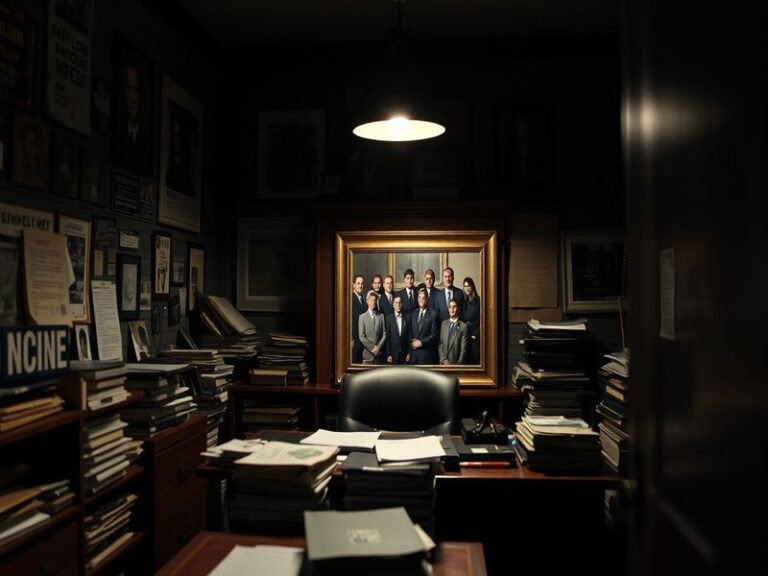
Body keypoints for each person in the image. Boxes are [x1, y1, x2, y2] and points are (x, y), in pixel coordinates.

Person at [114, 60, 151, 176]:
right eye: (129, 89)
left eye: (137, 91)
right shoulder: (116, 132)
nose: (133, 98)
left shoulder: (147, 141)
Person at [409, 289, 438, 365]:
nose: (421, 300)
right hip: (414, 354)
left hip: (426, 355)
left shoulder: (433, 314)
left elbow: (434, 335)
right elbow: (410, 331)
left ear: (427, 299)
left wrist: (421, 342)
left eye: (423, 298)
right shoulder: (414, 313)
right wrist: (412, 341)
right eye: (419, 297)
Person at [358, 290, 387, 364]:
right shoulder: (362, 317)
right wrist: (373, 348)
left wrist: (378, 347)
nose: (373, 302)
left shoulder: (381, 316)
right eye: (371, 300)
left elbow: (384, 334)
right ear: (367, 301)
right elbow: (362, 337)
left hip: (379, 355)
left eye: (375, 300)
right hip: (367, 356)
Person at [438, 299, 468, 365]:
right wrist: (443, 359)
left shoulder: (463, 326)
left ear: (458, 309)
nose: (452, 309)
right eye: (450, 307)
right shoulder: (443, 324)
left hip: (455, 365)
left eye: (454, 307)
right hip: (443, 364)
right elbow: (440, 344)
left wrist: (457, 365)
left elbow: (463, 350)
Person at [385, 294, 410, 365]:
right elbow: (387, 338)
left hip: (404, 353)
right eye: (396, 303)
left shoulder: (407, 317)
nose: (398, 305)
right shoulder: (388, 318)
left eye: (400, 303)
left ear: (402, 304)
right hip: (393, 354)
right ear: (393, 304)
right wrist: (388, 354)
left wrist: (409, 353)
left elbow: (409, 336)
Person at [462, 276, 481, 364]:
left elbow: (482, 321)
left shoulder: (479, 302)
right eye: (465, 286)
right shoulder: (464, 302)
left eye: (469, 286)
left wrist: (475, 334)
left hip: (475, 336)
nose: (467, 288)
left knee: (475, 360)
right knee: (466, 360)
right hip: (466, 335)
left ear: (472, 287)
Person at [350, 274, 366, 363]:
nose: (360, 286)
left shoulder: (363, 299)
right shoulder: (350, 299)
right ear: (353, 285)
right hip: (354, 339)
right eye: (358, 283)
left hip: (362, 339)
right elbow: (347, 322)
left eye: (362, 283)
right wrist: (350, 339)